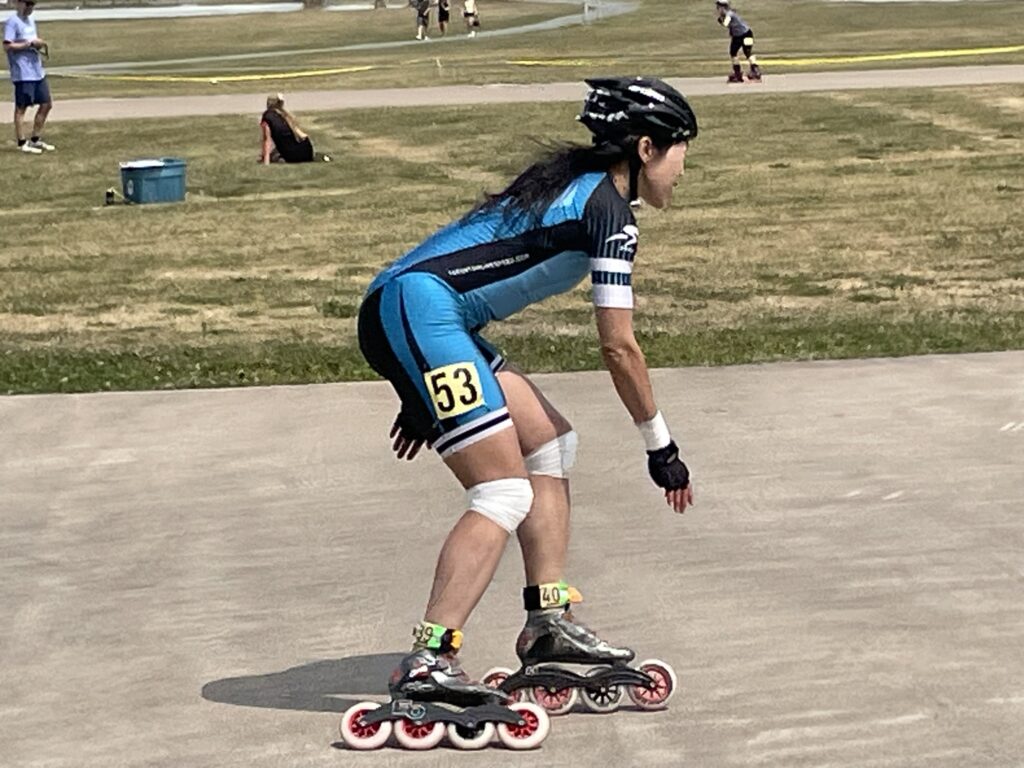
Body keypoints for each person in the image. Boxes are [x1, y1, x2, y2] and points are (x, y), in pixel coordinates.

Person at [357, 76, 696, 704]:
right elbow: (619, 347)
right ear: (646, 149)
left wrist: (416, 380)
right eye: (682, 152)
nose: (684, 170)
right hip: (419, 313)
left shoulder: (584, 190)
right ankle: (430, 657)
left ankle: (547, 622)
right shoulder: (608, 214)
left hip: (422, 316)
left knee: (550, 444)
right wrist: (661, 447)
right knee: (502, 490)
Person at [3, 0, 55, 154]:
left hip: (37, 71)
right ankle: (21, 142)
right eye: (27, 4)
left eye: (32, 4)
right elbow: (7, 46)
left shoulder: (31, 20)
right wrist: (28, 44)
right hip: (23, 72)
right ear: (19, 3)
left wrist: (38, 44)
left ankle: (35, 139)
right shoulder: (12, 22)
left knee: (46, 104)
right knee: (21, 107)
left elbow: (32, 40)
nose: (30, 8)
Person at [259, 94, 328, 164]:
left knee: (276, 155)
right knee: (278, 150)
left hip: (292, 155)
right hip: (307, 149)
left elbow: (267, 140)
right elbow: (300, 135)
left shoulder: (267, 116)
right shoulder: (286, 115)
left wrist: (266, 161)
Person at [715, 0, 761, 82]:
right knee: (736, 52)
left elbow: (726, 23)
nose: (717, 9)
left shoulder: (729, 14)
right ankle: (744, 72)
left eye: (718, 7)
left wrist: (721, 20)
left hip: (744, 35)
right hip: (742, 35)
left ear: (722, 7)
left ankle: (750, 72)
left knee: (745, 52)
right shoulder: (730, 13)